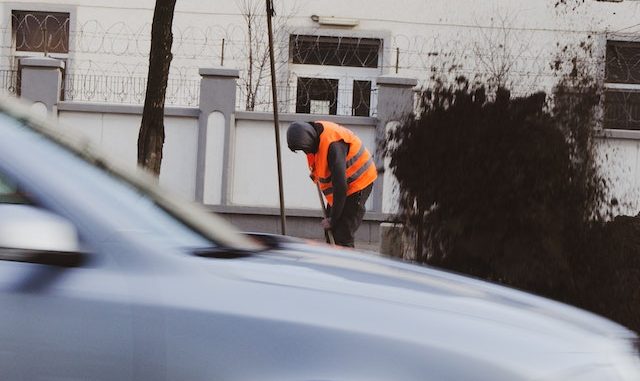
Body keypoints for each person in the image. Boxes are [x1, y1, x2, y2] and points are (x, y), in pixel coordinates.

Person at [287, 120, 377, 247]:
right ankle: (333, 261)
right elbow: (319, 165)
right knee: (331, 232)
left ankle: (345, 264)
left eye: (305, 150)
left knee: (342, 235)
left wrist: (333, 219)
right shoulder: (313, 138)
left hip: (359, 182)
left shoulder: (333, 145)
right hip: (341, 187)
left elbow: (340, 186)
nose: (306, 152)